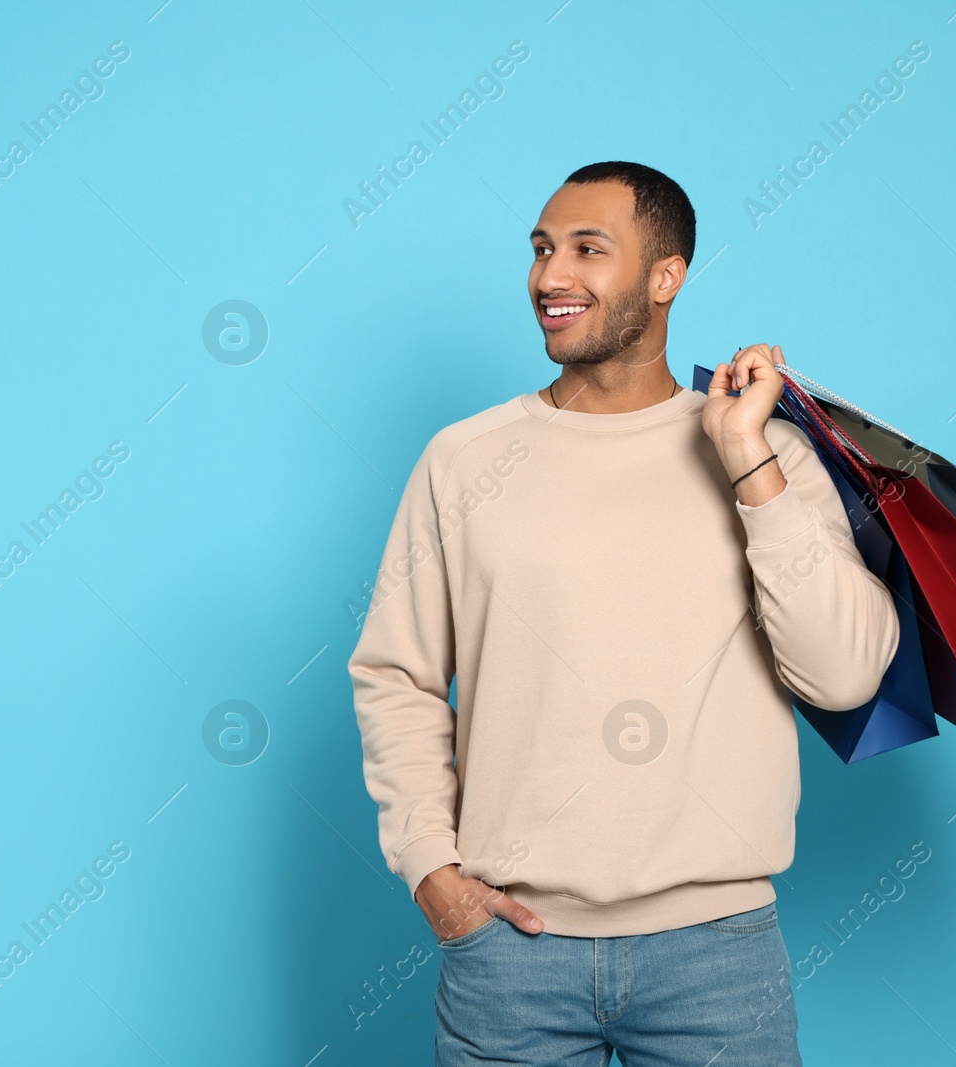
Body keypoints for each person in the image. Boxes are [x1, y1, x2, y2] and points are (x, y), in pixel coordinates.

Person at [347, 160, 900, 1065]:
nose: (549, 277)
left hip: (717, 955)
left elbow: (842, 674)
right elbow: (395, 674)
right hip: (506, 959)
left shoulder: (765, 453)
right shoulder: (463, 459)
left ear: (666, 274)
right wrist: (432, 873)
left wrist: (746, 460)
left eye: (587, 249)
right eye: (540, 250)